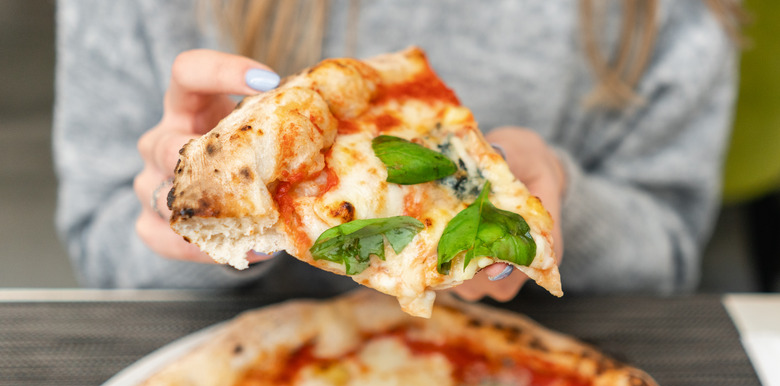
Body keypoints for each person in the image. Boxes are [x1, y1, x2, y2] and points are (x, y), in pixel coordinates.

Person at [53, 0, 740, 302]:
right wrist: (201, 222)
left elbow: (669, 254)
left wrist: (556, 198)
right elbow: (101, 250)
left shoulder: (663, 10)